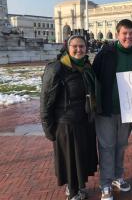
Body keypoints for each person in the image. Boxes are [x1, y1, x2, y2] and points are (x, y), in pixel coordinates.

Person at [92, 19, 132, 200]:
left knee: (121, 145)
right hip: (107, 110)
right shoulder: (105, 53)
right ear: (117, 35)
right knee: (107, 146)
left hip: (128, 110)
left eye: (131, 33)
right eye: (125, 33)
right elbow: (93, 79)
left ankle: (117, 176)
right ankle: (105, 184)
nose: (128, 37)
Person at [40, 35, 98, 200]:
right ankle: (72, 193)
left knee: (80, 159)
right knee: (70, 161)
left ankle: (78, 188)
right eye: (75, 46)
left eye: (82, 46)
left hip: (83, 120)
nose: (79, 49)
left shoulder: (86, 66)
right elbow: (46, 100)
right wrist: (48, 127)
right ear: (68, 47)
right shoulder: (57, 68)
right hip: (66, 123)